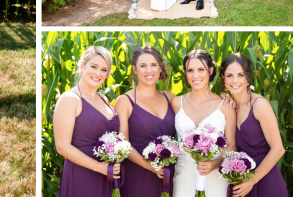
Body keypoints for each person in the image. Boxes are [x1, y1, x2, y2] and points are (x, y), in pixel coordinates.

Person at [53, 46, 120, 197]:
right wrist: (98, 167)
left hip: (105, 175)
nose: (98, 73)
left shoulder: (103, 98)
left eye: (104, 69)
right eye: (94, 66)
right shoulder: (70, 99)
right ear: (82, 65)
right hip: (82, 175)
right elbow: (62, 146)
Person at [171, 50, 236, 197]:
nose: (195, 76)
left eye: (201, 69)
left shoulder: (225, 106)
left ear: (211, 70)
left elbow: (232, 145)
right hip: (183, 177)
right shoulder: (176, 102)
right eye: (190, 70)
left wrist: (216, 163)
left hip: (214, 177)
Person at [114, 47, 176, 197]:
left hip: (169, 172)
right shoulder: (124, 101)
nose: (149, 70)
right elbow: (123, 144)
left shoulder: (170, 97)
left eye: (154, 65)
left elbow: (196, 108)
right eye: (143, 66)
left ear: (160, 68)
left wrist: (224, 98)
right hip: (138, 174)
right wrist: (150, 167)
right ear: (135, 69)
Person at [222, 54, 286, 197]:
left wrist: (252, 180)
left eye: (240, 75)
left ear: (248, 77)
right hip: (241, 178)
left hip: (265, 179)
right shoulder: (228, 106)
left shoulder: (259, 105)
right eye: (229, 75)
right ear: (223, 78)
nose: (235, 80)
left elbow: (278, 149)